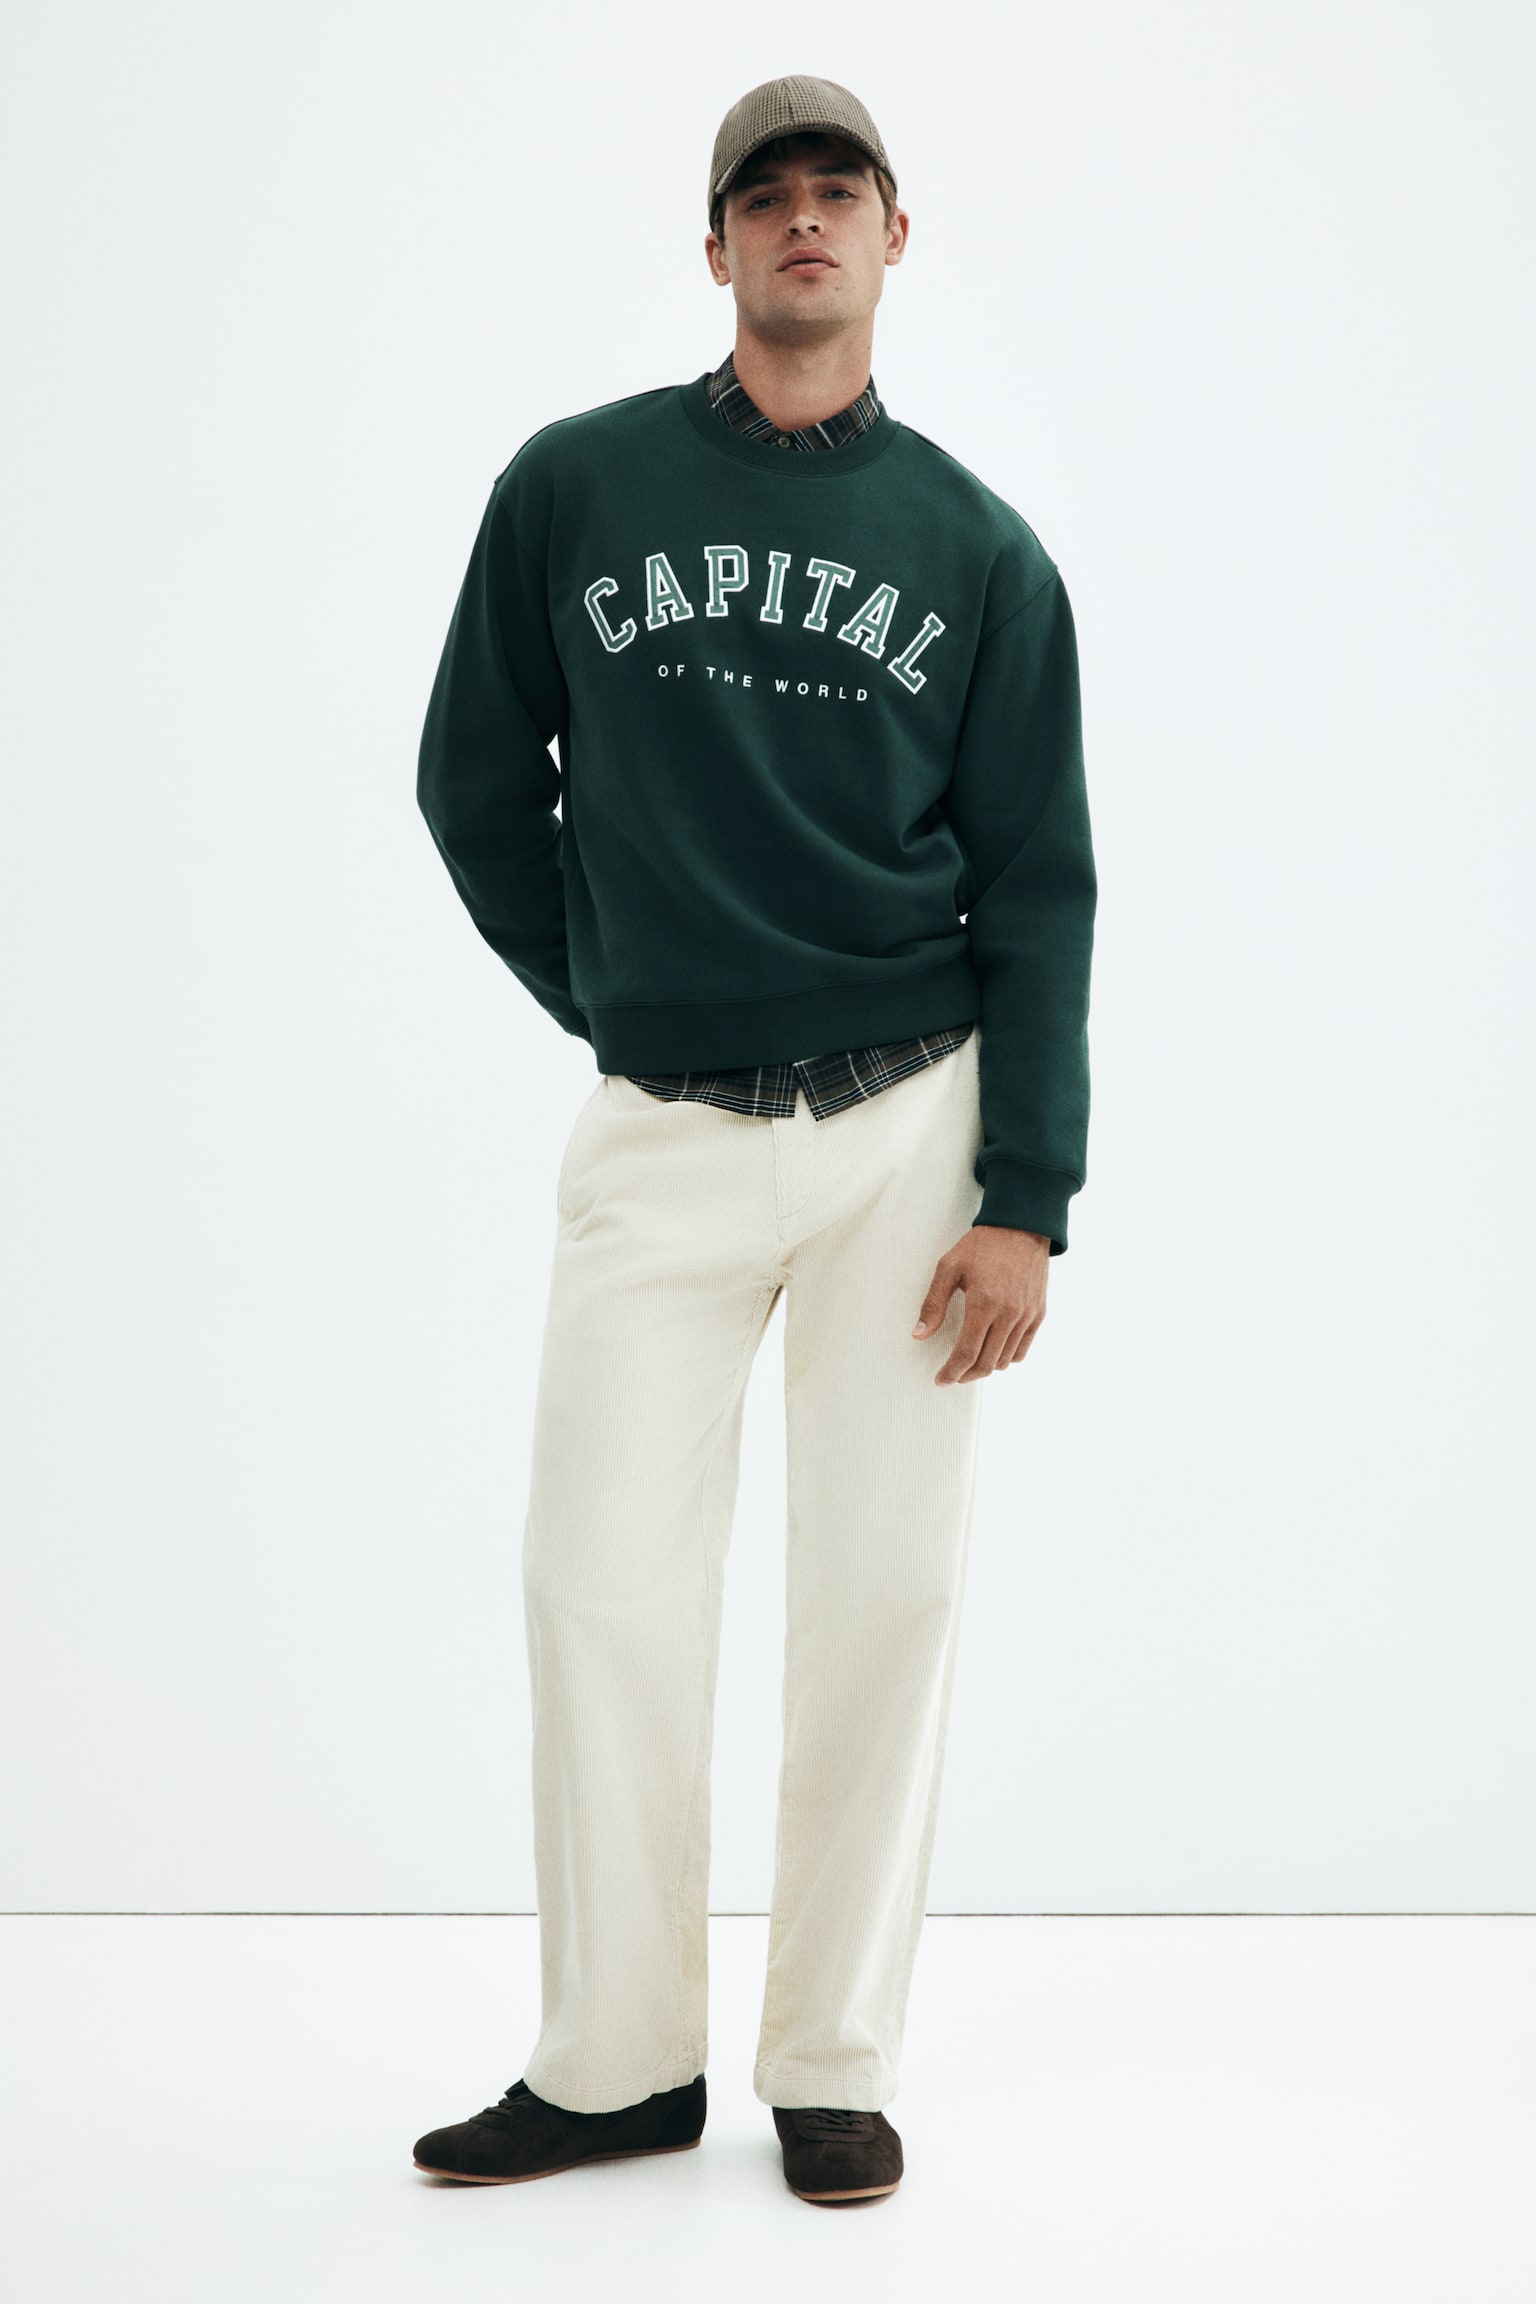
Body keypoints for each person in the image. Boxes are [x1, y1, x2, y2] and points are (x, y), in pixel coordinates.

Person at [410, 73, 1096, 2206]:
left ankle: (831, 2058)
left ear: (894, 237)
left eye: (839, 192)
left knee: (884, 1594)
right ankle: (616, 2060)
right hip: (665, 1127)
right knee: (596, 1579)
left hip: (912, 1120)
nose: (805, 221)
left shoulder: (981, 551)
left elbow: (1041, 888)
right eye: (766, 196)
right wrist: (617, 992)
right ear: (713, 248)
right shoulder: (575, 486)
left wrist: (1027, 1196)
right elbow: (469, 781)